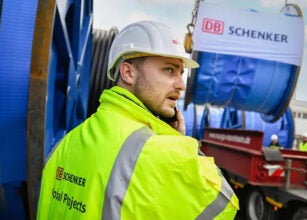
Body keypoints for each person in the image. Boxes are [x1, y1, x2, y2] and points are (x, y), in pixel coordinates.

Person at [37, 21, 239, 219]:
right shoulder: (165, 154)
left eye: (181, 73)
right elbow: (226, 206)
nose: (181, 85)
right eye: (169, 70)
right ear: (128, 73)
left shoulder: (62, 147)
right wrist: (179, 141)